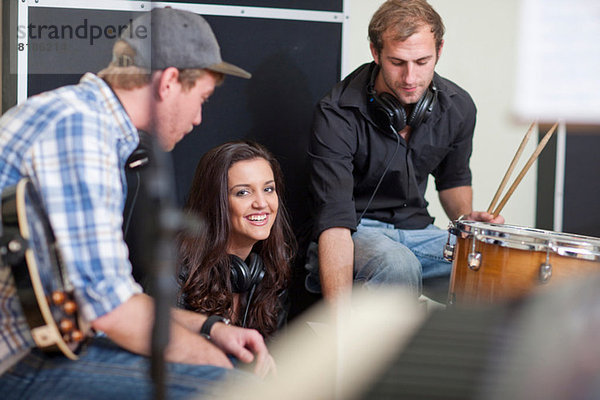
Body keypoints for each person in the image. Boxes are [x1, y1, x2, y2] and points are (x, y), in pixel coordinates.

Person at [0, 7, 275, 399]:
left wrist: (209, 328)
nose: (198, 118)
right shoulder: (80, 131)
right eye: (202, 98)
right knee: (230, 384)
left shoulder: (81, 118)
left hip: (50, 340)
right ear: (168, 82)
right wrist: (211, 359)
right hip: (19, 359)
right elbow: (111, 309)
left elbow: (107, 298)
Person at [304, 0, 504, 304]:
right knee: (398, 263)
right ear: (375, 52)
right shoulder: (336, 112)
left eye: (422, 62)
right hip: (355, 231)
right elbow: (334, 223)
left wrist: (468, 224)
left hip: (419, 229)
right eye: (398, 62)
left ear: (440, 49)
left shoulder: (458, 106)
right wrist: (338, 328)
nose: (411, 78)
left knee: (492, 265)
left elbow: (453, 180)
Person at [178, 140, 296, 339]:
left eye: (268, 189)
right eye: (243, 192)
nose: (261, 203)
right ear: (216, 203)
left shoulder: (270, 270)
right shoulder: (178, 273)